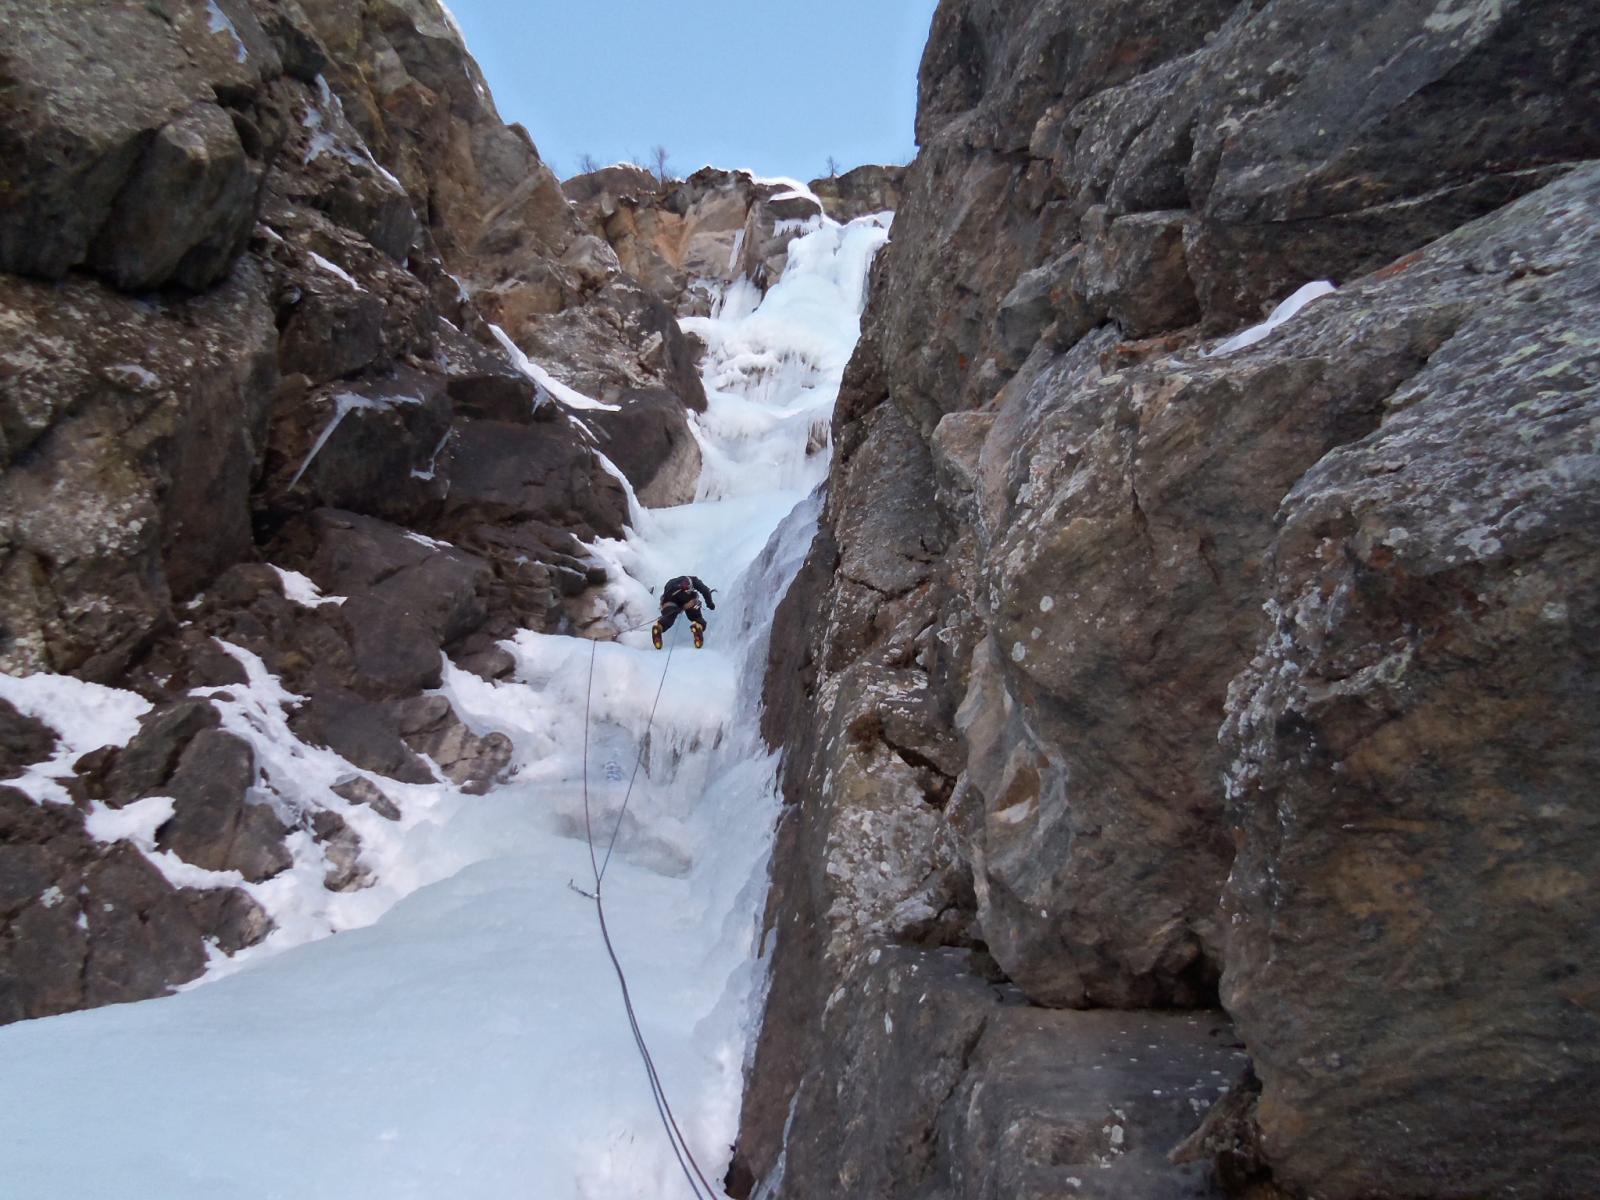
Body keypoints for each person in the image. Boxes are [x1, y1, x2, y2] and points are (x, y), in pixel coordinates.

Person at [652, 575, 715, 649]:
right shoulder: (693, 580)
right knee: (696, 616)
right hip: (687, 598)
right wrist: (710, 604)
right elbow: (705, 591)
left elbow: (665, 598)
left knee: (669, 617)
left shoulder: (670, 583)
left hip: (669, 599)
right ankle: (698, 625)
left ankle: (660, 626)